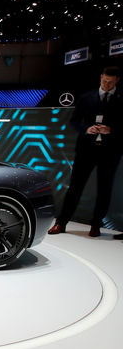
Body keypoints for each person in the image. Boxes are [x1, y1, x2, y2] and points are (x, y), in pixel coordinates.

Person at [48, 66, 122, 237]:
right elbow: (74, 121)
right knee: (75, 187)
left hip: (110, 151)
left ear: (117, 80)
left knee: (104, 189)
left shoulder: (121, 99)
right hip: (86, 149)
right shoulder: (86, 97)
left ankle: (96, 225)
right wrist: (87, 129)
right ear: (101, 77)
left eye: (110, 82)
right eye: (104, 80)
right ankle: (61, 223)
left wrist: (110, 130)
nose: (107, 84)